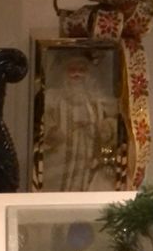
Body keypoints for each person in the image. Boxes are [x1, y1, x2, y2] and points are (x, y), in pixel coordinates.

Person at [42, 52, 120, 192]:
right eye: (72, 70)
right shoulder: (52, 98)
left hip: (89, 160)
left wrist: (104, 131)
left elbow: (111, 132)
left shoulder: (98, 101)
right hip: (59, 163)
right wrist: (55, 132)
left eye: (82, 70)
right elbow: (43, 126)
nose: (77, 74)